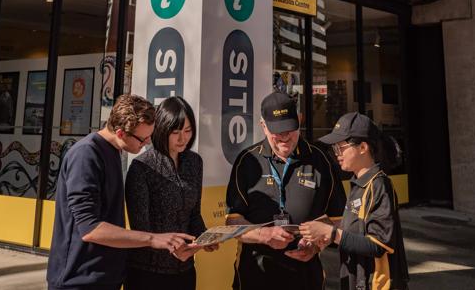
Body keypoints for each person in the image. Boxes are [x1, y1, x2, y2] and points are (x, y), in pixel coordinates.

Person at [47, 94, 195, 290]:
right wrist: (153, 238)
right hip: (78, 280)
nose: (147, 143)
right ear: (120, 133)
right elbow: (90, 229)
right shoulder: (85, 155)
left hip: (106, 277)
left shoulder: (114, 151)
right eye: (142, 139)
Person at [225, 91, 346, 290]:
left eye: (289, 129)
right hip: (255, 274)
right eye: (277, 131)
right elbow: (232, 221)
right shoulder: (247, 161)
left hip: (305, 275)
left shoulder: (321, 161)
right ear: (263, 126)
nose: (284, 137)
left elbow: (338, 218)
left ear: (299, 121)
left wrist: (317, 245)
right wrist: (264, 235)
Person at [299, 112, 409, 290]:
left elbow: (380, 243)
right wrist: (323, 237)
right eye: (334, 149)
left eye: (340, 148)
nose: (336, 154)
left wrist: (332, 233)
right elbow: (355, 231)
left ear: (363, 147)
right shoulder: (358, 183)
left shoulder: (379, 185)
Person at [124, 96, 217, 290]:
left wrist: (204, 238)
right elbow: (140, 229)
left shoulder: (194, 162)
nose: (183, 138)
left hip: (185, 270)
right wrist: (173, 250)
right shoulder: (142, 167)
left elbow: (194, 214)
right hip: (148, 272)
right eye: (175, 132)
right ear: (161, 130)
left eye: (188, 131)